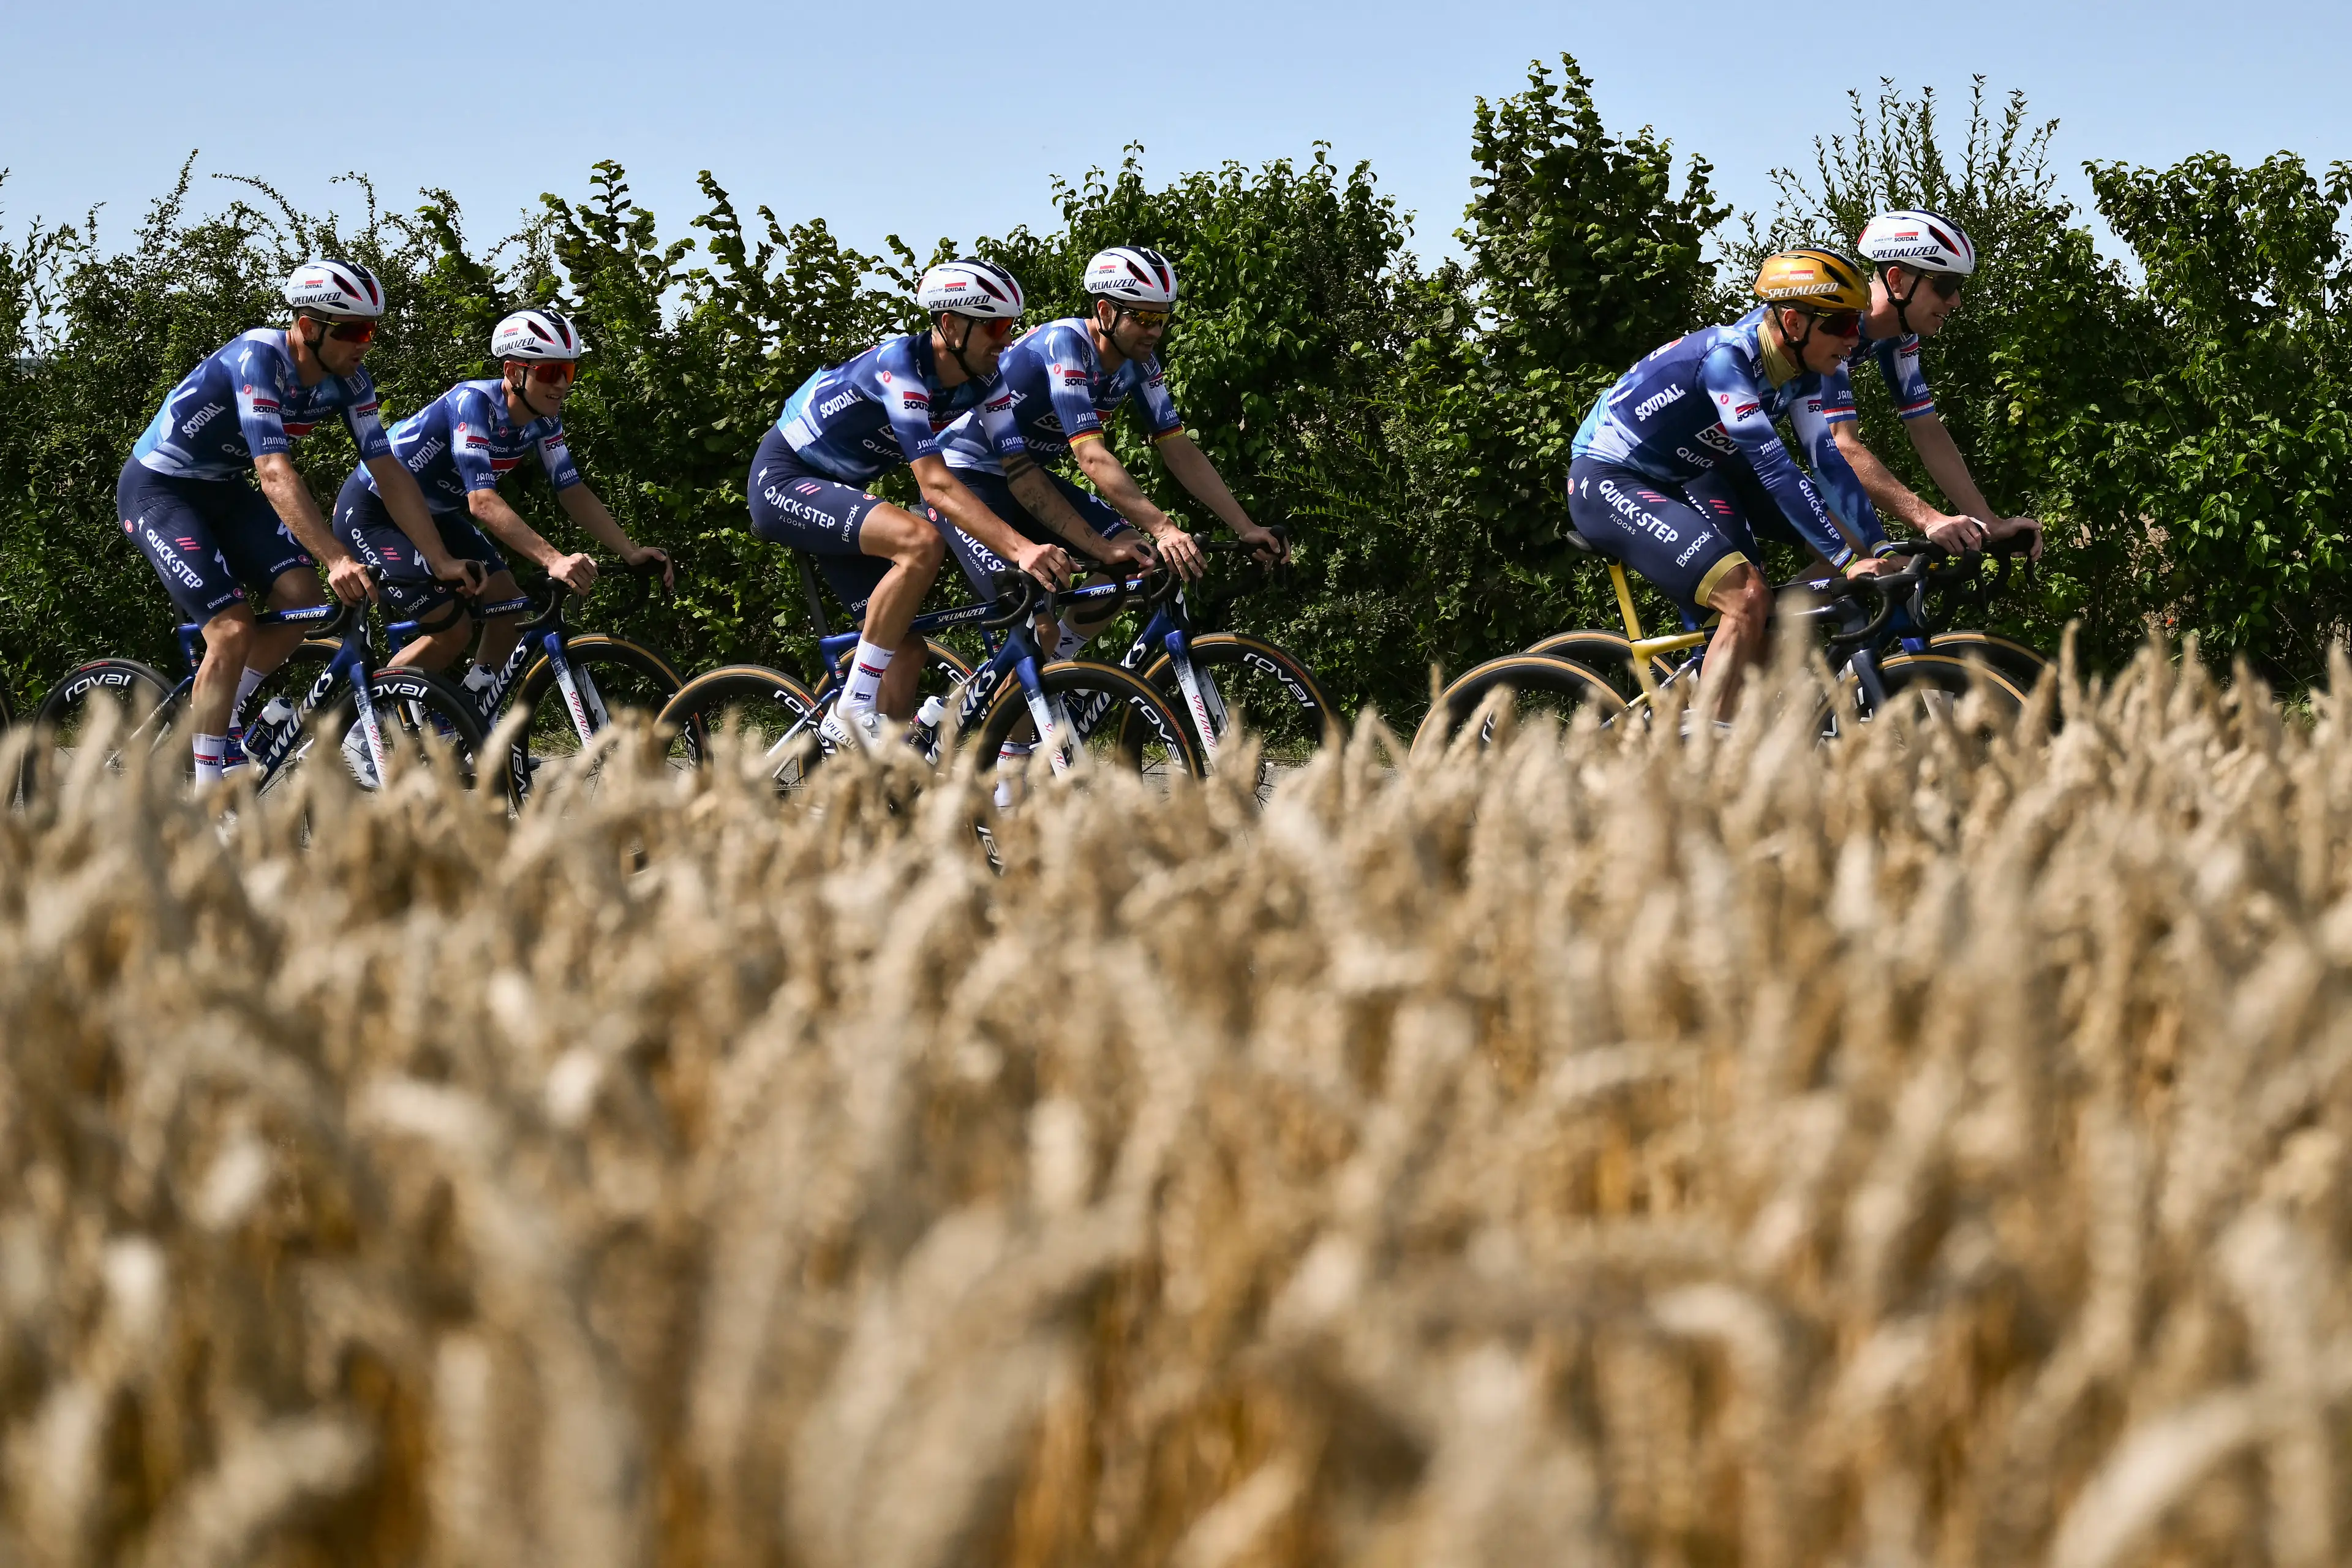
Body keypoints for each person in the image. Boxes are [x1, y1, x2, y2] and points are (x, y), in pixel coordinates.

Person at [119, 257, 469, 785]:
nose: (365, 343)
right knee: (232, 627)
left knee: (304, 599)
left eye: (371, 330)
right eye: (353, 330)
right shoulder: (260, 358)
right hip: (159, 487)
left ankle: (215, 712)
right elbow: (275, 473)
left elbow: (390, 473)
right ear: (308, 327)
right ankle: (211, 794)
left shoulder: (351, 382)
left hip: (220, 490)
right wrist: (336, 556)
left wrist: (438, 557)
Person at [746, 259, 1072, 751]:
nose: (1007, 340)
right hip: (786, 479)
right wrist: (1022, 548)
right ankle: (852, 708)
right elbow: (936, 485)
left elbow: (1020, 471)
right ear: (950, 325)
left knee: (905, 653)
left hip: (838, 496)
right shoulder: (900, 368)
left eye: (1012, 327)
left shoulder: (987, 382)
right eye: (997, 327)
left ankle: (879, 792)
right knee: (920, 540)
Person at [1566, 249, 1888, 715]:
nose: (1855, 338)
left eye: (1857, 323)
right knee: (1746, 595)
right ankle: (1702, 760)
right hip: (1609, 476)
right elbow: (1775, 468)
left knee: (1842, 555)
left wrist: (1874, 551)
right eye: (1841, 325)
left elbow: (1829, 463)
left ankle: (1742, 685)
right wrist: (1847, 560)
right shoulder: (1728, 360)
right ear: (1794, 323)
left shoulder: (1806, 370)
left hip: (1685, 475)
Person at [933, 246, 1287, 663]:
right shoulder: (1064, 344)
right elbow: (1092, 459)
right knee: (1036, 627)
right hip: (964, 478)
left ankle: (1059, 675)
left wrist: (1244, 525)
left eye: (1162, 317)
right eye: (1143, 317)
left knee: (1134, 556)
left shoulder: (1141, 364)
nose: (1155, 330)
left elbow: (1179, 450)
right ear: (1105, 312)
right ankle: (981, 717)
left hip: (1027, 481)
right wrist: (1165, 527)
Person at [331, 307, 671, 716]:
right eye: (549, 373)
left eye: (568, 371)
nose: (562, 384)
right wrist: (554, 559)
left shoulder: (544, 421)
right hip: (374, 509)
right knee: (452, 628)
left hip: (434, 513)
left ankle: (468, 717)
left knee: (509, 605)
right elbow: (483, 503)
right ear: (513, 372)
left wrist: (629, 550)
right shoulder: (473, 404)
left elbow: (572, 490)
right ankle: (357, 732)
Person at [1828, 209, 2040, 556]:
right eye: (1944, 285)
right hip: (1722, 457)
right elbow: (1842, 445)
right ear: (1896, 280)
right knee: (1750, 594)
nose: (1955, 301)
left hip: (1746, 455)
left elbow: (1926, 429)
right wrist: (1929, 519)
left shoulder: (1899, 337)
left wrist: (1989, 522)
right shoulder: (1835, 325)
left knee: (1854, 540)